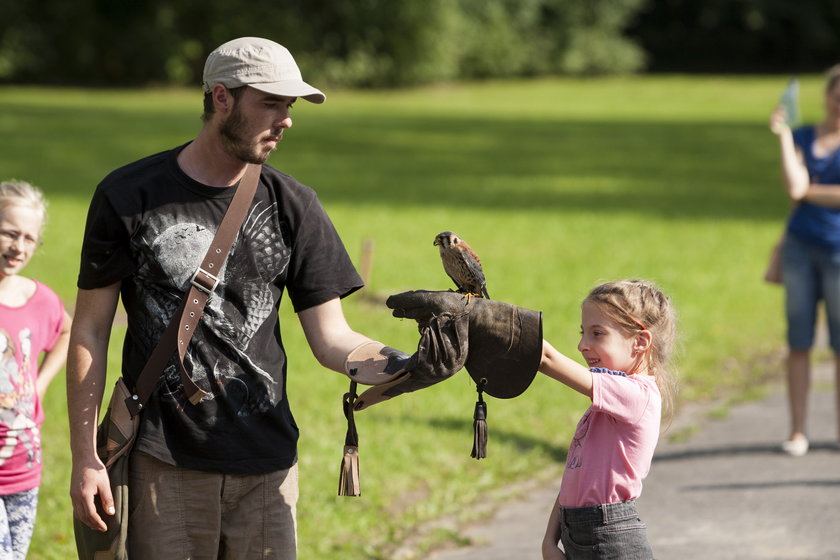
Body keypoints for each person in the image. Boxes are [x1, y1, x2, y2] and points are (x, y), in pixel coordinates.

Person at [67, 37, 456, 559]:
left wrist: (408, 365)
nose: (286, 120)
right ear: (221, 97)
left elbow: (332, 337)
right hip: (165, 461)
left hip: (267, 464)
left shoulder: (293, 204)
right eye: (270, 103)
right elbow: (90, 330)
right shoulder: (127, 195)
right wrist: (85, 457)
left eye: (289, 106)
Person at [539, 279, 677, 560]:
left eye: (597, 334)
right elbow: (575, 474)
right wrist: (550, 541)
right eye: (583, 332)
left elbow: (546, 359)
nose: (581, 345)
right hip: (579, 534)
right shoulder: (606, 404)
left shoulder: (638, 395)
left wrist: (485, 315)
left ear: (639, 342)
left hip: (611, 538)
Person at [769, 64, 840, 456]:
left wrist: (809, 190)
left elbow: (807, 190)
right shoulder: (803, 135)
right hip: (799, 248)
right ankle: (798, 431)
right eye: (837, 94)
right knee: (799, 340)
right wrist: (782, 136)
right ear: (828, 94)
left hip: (838, 249)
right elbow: (794, 188)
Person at [0, 179, 71, 559]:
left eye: (29, 238)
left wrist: (40, 384)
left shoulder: (40, 299)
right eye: (10, 234)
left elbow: (66, 331)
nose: (19, 247)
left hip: (24, 466)